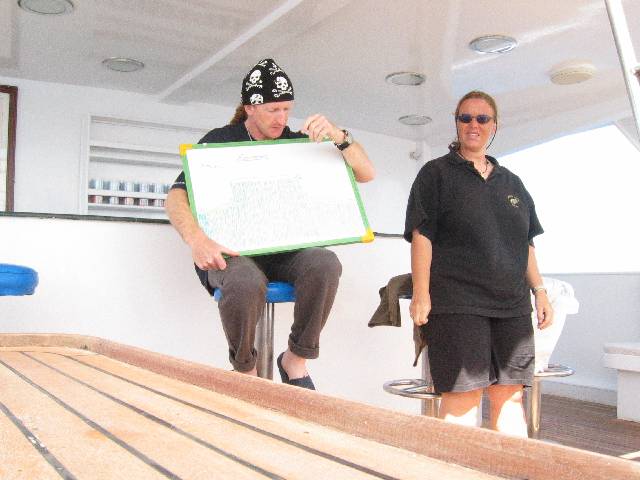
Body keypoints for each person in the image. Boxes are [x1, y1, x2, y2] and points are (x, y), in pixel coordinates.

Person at [166, 58, 375, 390]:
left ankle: (295, 359)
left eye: (287, 109)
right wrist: (196, 240)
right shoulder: (219, 140)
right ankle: (246, 369)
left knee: (325, 263)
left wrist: (339, 136)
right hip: (235, 253)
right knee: (245, 281)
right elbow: (176, 197)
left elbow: (366, 173)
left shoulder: (298, 143)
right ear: (250, 108)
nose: (282, 119)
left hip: (285, 251)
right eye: (273, 110)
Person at [404, 90, 552, 437]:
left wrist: (540, 291)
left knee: (511, 398)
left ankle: (509, 467)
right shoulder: (435, 174)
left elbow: (525, 243)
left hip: (512, 306)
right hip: (458, 303)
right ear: (456, 123)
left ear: (494, 126)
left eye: (482, 119)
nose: (474, 125)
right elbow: (422, 235)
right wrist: (421, 293)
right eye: (465, 118)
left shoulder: (512, 183)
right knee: (462, 400)